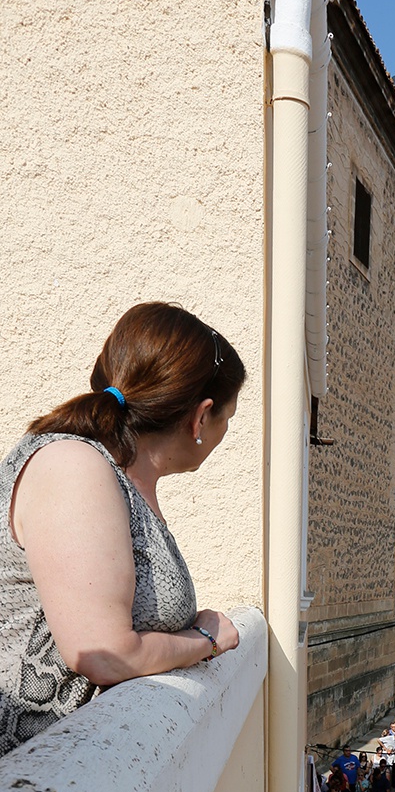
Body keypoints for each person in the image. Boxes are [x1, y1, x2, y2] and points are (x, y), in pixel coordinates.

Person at [0, 303, 245, 757]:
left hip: (76, 767)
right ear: (200, 417)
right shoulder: (73, 467)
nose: (222, 432)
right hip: (24, 787)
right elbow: (102, 651)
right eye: (226, 419)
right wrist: (205, 642)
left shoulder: (120, 480)